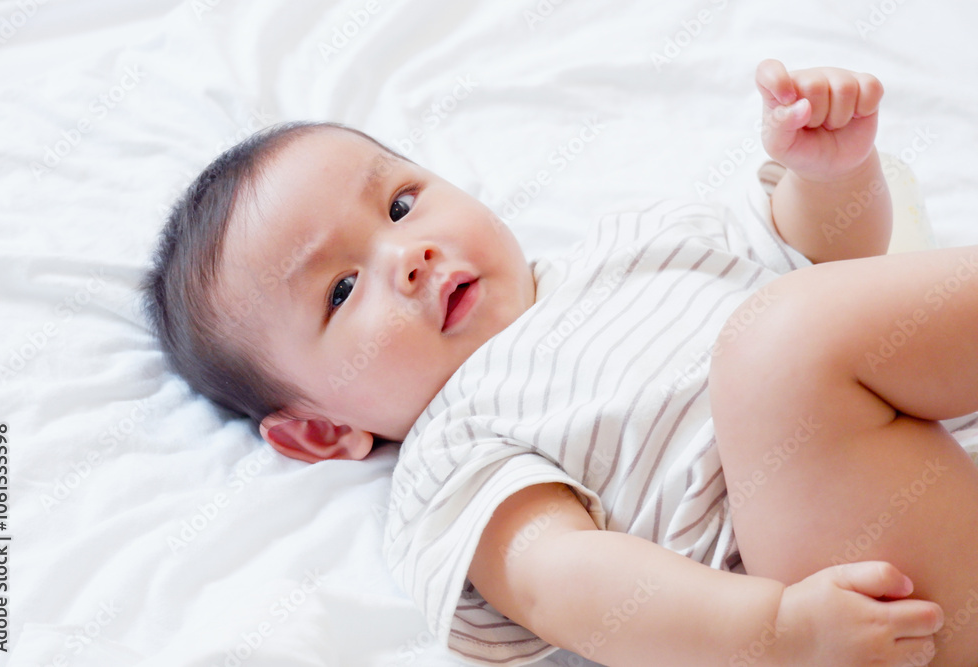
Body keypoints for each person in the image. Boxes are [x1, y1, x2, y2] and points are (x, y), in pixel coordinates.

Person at [142, 59, 978, 666]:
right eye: (341, 288)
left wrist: (828, 178)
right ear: (323, 431)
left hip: (939, 475)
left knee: (795, 326)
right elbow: (569, 583)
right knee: (776, 346)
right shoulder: (458, 449)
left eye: (400, 203)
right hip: (863, 602)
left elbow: (824, 268)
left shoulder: (639, 240)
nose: (409, 254)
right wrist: (779, 631)